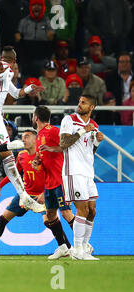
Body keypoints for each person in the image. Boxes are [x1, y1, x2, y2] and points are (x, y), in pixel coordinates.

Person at [0, 45, 46, 213]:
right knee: (7, 154)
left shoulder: (8, 74)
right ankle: (24, 196)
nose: (5, 63)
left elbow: (15, 94)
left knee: (9, 158)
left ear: (13, 62)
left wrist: (29, 89)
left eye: (7, 61)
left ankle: (24, 196)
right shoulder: (2, 69)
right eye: (4, 61)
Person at [0, 130, 70, 259]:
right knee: (3, 219)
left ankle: (67, 247)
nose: (24, 140)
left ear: (35, 139)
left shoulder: (44, 155)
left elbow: (53, 175)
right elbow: (14, 173)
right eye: (22, 137)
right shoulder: (21, 155)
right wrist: (0, 185)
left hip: (42, 195)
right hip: (25, 195)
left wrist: (45, 192)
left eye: (27, 137)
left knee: (49, 221)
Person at [59, 95, 104, 260]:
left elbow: (89, 152)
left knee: (92, 211)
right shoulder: (69, 120)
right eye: (79, 102)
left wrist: (97, 143)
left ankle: (84, 247)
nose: (79, 105)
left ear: (91, 107)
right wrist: (82, 130)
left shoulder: (94, 126)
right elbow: (63, 143)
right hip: (73, 171)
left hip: (87, 173)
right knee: (82, 209)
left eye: (83, 103)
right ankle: (77, 249)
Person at [31, 106, 76, 259]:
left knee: (65, 212)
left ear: (36, 117)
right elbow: (42, 157)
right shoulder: (38, 136)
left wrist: (51, 148)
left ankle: (83, 245)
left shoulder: (54, 131)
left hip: (60, 179)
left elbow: (67, 147)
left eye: (33, 116)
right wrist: (37, 162)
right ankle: (63, 247)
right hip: (48, 182)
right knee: (50, 215)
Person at [15, 0, 54, 77]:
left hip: (42, 60)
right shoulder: (24, 22)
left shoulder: (48, 22)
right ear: (30, 7)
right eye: (34, 5)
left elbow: (51, 42)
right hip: (26, 60)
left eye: (39, 5)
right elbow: (18, 40)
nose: (36, 7)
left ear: (43, 7)